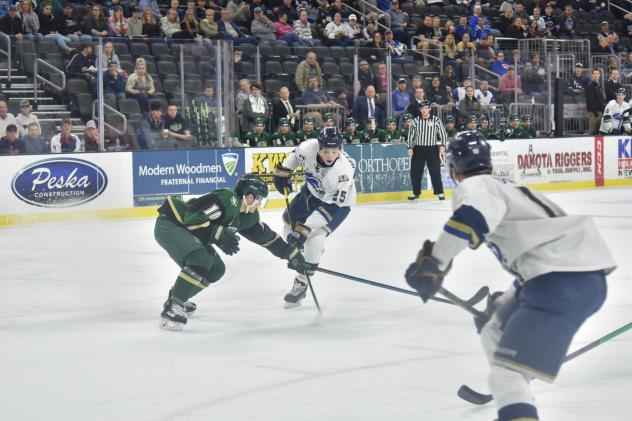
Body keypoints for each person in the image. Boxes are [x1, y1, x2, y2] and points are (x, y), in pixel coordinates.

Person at [404, 130, 615, 421]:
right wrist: (507, 298)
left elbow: (469, 221)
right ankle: (516, 404)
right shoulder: (506, 186)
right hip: (574, 278)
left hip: (559, 282)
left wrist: (434, 265)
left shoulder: (475, 186)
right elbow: (542, 251)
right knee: (494, 329)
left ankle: (515, 400)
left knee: (505, 375)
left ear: (453, 169)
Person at [156, 174, 306, 330]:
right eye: (260, 199)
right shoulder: (227, 198)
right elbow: (192, 216)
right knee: (200, 259)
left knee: (216, 269)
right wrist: (217, 233)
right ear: (249, 196)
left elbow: (265, 237)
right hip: (170, 224)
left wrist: (290, 253)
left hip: (186, 231)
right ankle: (172, 309)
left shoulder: (247, 217)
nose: (260, 204)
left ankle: (178, 296)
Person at [273, 127, 356, 307]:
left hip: (336, 206)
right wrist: (285, 170)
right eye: (326, 151)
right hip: (310, 193)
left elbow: (329, 209)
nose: (329, 155)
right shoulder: (308, 147)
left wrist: (304, 230)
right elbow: (295, 156)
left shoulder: (342, 173)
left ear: (340, 150)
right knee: (288, 224)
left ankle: (301, 282)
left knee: (315, 238)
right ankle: (303, 253)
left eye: (334, 151)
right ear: (319, 147)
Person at [406, 99, 447, 201]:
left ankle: (440, 192)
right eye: (422, 108)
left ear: (429, 109)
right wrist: (410, 147)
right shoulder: (415, 121)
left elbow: (443, 134)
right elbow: (410, 135)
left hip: (432, 149)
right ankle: (416, 193)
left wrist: (442, 145)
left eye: (426, 108)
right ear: (420, 109)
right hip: (418, 149)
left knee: (435, 171)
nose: (424, 110)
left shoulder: (436, 120)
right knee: (415, 172)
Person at [586, 68, 606, 135]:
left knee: (597, 133)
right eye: (594, 74)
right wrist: (595, 113)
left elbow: (600, 99)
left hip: (599, 112)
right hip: (594, 113)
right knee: (592, 132)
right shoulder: (590, 85)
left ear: (600, 75)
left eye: (597, 74)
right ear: (592, 75)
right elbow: (591, 100)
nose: (596, 75)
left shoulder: (598, 85)